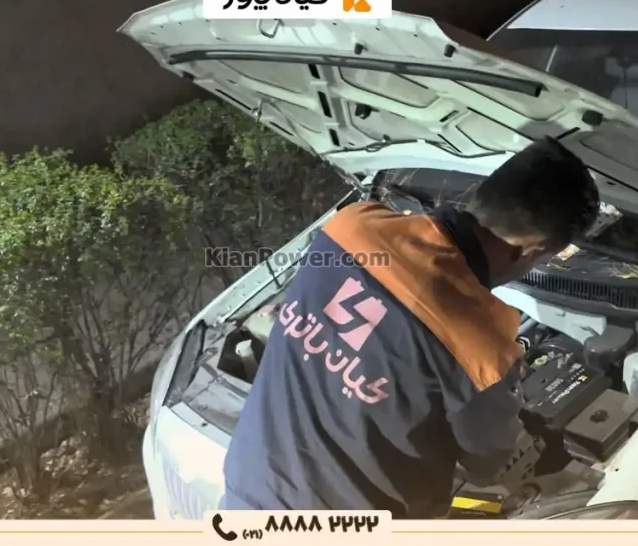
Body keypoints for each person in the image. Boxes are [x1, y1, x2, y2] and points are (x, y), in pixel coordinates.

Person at [220, 137, 600, 518]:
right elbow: (486, 465)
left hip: (247, 496)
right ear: (529, 249)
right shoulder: (480, 346)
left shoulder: (351, 226)